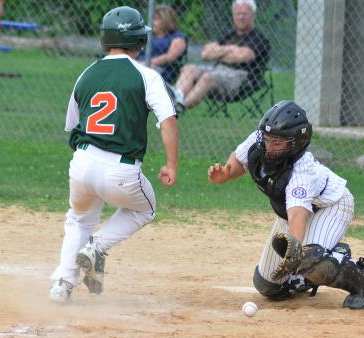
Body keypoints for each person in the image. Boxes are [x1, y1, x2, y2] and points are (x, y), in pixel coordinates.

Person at [48, 6, 180, 303]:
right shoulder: (146, 76)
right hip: (120, 170)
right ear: (138, 42)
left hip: (82, 163)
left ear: (104, 39)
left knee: (79, 218)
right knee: (145, 209)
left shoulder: (87, 73)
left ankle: (62, 283)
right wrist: (171, 164)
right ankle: (97, 247)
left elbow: (71, 124)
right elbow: (168, 120)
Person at [207, 101, 364, 309]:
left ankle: (360, 278)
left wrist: (296, 251)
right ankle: (323, 260)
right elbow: (239, 160)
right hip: (292, 212)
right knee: (267, 285)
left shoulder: (302, 172)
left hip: (331, 206)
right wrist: (225, 174)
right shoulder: (259, 142)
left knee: (310, 258)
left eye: (278, 142)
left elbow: (298, 215)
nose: (269, 146)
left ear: (297, 142)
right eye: (268, 139)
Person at [172, 0, 269, 111]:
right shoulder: (229, 34)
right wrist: (231, 49)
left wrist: (219, 53)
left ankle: (179, 107)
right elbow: (206, 53)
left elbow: (243, 57)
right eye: (238, 13)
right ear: (233, 15)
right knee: (189, 68)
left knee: (207, 77)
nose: (241, 17)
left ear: (253, 15)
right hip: (217, 70)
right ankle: (176, 98)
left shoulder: (259, 38)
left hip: (241, 79)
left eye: (245, 14)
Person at [139, 5, 187, 84]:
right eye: (152, 19)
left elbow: (170, 56)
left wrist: (147, 63)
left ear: (165, 21)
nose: (152, 22)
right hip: (140, 63)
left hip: (160, 69)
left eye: (155, 19)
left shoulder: (177, 37)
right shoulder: (149, 34)